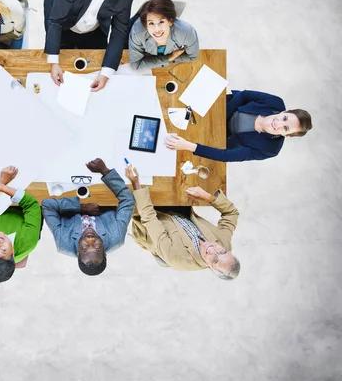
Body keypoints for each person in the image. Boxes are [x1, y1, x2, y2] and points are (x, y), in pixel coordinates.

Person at [44, 0, 137, 92]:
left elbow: (119, 31)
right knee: (59, 75)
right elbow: (56, 21)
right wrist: (54, 63)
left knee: (93, 70)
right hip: (64, 23)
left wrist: (106, 74)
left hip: (95, 28)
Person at [129, 165, 240, 278]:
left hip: (149, 219)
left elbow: (149, 218)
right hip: (177, 211)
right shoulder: (224, 243)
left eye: (215, 260)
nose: (213, 250)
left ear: (209, 267)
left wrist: (136, 183)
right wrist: (206, 196)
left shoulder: (178, 258)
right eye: (222, 252)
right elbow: (232, 213)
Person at [41, 158, 135, 276]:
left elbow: (47, 205)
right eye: (97, 246)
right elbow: (128, 200)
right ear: (105, 251)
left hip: (69, 190)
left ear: (78, 253)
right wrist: (105, 171)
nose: (90, 239)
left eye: (85, 247)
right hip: (101, 189)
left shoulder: (63, 242)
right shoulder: (117, 237)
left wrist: (81, 208)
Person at [165, 90, 313, 162]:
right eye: (285, 118)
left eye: (285, 128)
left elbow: (225, 156)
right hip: (222, 107)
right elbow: (245, 95)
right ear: (285, 111)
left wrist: (187, 146)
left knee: (172, 142)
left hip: (217, 137)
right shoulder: (275, 102)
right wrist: (220, 117)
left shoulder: (270, 149)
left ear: (286, 135)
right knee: (172, 103)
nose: (278, 124)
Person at [128, 0, 199, 69]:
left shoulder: (186, 32)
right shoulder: (137, 33)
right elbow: (135, 65)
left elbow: (192, 56)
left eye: (161, 22)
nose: (157, 29)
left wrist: (151, 61)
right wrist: (168, 58)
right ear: (146, 25)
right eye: (151, 23)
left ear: (170, 21)